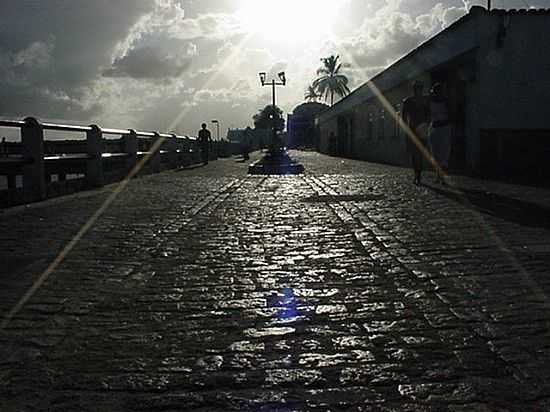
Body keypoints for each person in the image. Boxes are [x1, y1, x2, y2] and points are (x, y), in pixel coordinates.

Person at [402, 80, 430, 185]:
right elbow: (404, 116)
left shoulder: (425, 101)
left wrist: (426, 125)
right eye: (417, 88)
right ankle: (417, 174)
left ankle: (418, 174)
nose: (418, 90)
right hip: (413, 129)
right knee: (415, 153)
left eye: (419, 88)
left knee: (419, 153)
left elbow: (429, 115)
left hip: (421, 129)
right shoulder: (408, 101)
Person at [428, 82, 452, 185]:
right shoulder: (430, 102)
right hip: (434, 127)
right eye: (436, 91)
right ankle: (438, 176)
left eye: (439, 91)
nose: (438, 93)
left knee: (444, 153)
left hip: (444, 127)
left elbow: (451, 114)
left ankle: (443, 178)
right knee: (435, 153)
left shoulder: (447, 102)